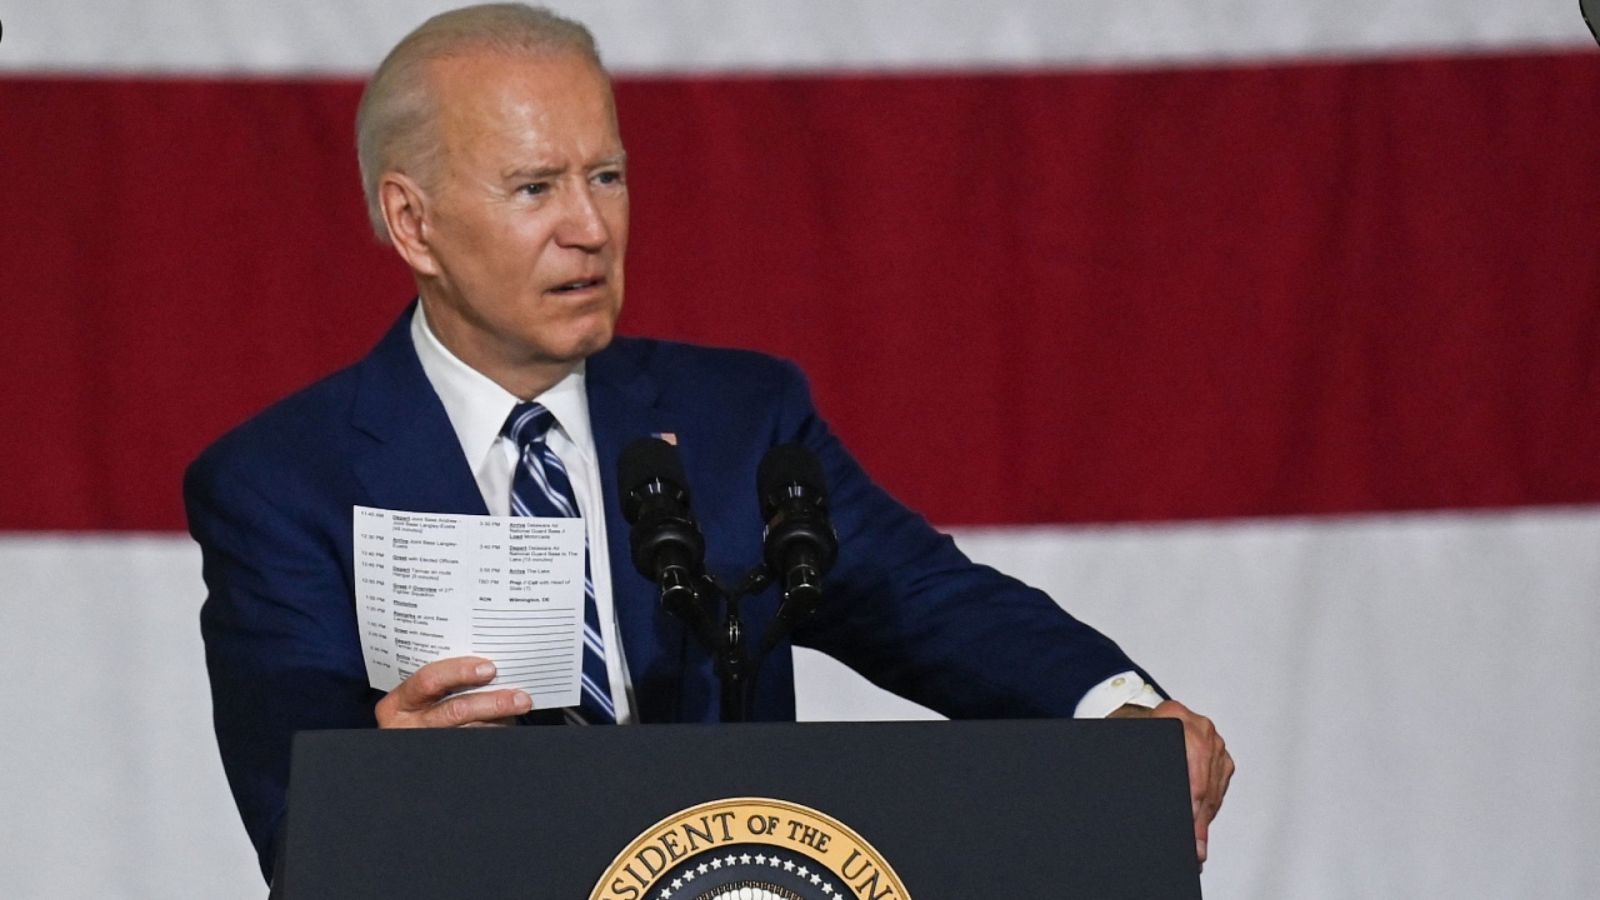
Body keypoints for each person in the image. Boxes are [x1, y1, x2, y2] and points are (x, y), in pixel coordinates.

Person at [184, 3, 1233, 883]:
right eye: (535, 188)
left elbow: (924, 599)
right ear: (413, 224)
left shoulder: (738, 419)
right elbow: (293, 810)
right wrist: (381, 775)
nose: (590, 229)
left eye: (607, 176)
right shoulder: (286, 483)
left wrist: (1115, 705)